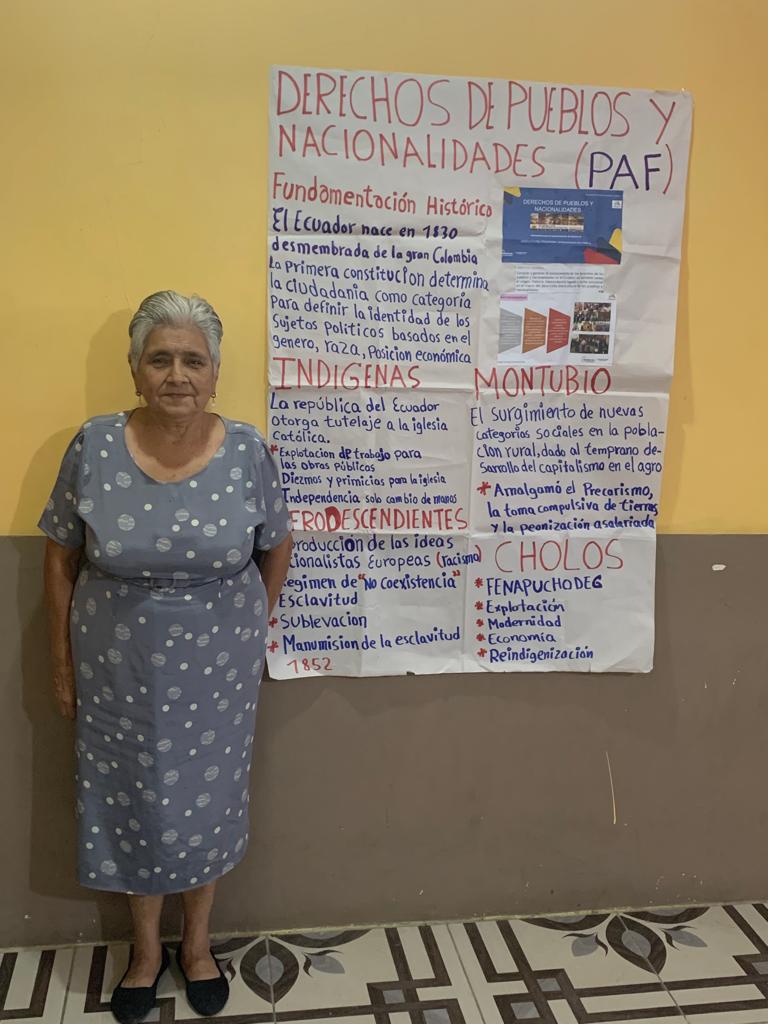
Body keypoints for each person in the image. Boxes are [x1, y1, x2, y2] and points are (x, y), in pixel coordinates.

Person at [39, 290, 293, 1023]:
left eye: (193, 360)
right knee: (132, 801)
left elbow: (277, 543)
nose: (177, 375)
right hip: (115, 667)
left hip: (218, 673)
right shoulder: (93, 444)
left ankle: (199, 946)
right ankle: (146, 952)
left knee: (206, 804)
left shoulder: (246, 450)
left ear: (215, 374)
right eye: (159, 359)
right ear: (134, 369)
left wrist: (252, 627)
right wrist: (61, 662)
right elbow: (59, 556)